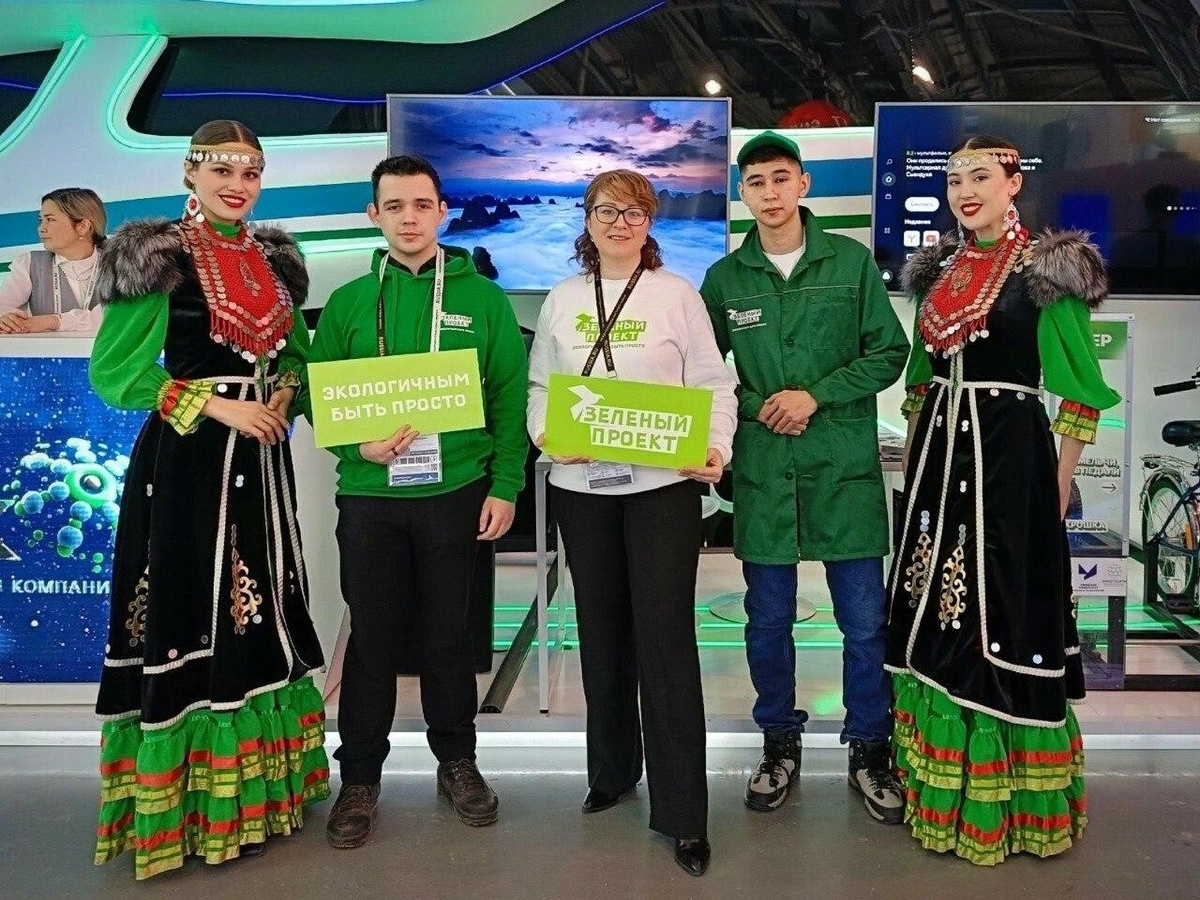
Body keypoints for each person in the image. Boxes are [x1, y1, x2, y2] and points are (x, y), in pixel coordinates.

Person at [88, 120, 329, 880]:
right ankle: (193, 807)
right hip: (190, 460)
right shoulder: (156, 256)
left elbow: (293, 354)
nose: (237, 185)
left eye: (250, 172)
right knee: (193, 607)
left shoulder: (274, 259)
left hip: (261, 460)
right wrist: (221, 406)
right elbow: (116, 372)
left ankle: (259, 796)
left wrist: (285, 391)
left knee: (261, 608)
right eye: (222, 170)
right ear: (190, 173)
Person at [887, 135, 1120, 864]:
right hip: (938, 463)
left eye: (981, 176)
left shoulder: (1048, 272)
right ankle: (938, 788)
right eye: (955, 179)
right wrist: (914, 465)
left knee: (1006, 610)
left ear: (1013, 183)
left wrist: (1058, 485)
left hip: (1011, 463)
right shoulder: (940, 272)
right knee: (934, 608)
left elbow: (1079, 389)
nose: (965, 191)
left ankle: (1010, 803)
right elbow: (920, 380)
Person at [306, 155, 527, 848]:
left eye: (421, 205)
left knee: (449, 637)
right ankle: (360, 778)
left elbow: (508, 397)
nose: (409, 218)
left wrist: (506, 485)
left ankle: (457, 761)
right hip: (370, 496)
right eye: (395, 206)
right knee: (371, 639)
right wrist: (357, 447)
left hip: (455, 493)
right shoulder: (347, 303)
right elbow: (318, 395)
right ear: (374, 215)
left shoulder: (483, 299)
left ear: (442, 213)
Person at [527, 169, 736, 877]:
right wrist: (546, 435)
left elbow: (713, 384)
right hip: (581, 487)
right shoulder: (561, 298)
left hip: (661, 490)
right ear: (586, 220)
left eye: (635, 212)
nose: (620, 223)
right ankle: (612, 772)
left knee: (666, 642)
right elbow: (540, 387)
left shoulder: (677, 295)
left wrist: (716, 448)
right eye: (607, 210)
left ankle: (683, 813)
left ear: (651, 222)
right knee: (601, 633)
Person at [700, 131, 909, 822]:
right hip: (765, 472)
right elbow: (700, 369)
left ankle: (870, 748)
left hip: (843, 469)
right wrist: (757, 406)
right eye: (756, 182)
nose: (770, 193)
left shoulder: (849, 264)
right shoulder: (725, 280)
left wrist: (815, 395)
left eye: (780, 178)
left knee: (864, 624)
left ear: (803, 184)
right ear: (743, 193)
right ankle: (778, 743)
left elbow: (889, 352)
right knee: (767, 621)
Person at [0, 187, 107, 334]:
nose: (41, 229)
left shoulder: (122, 264)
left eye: (50, 219)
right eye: (41, 220)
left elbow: (114, 316)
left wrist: (53, 321)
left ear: (83, 226)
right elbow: (3, 308)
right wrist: (6, 320)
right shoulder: (29, 264)